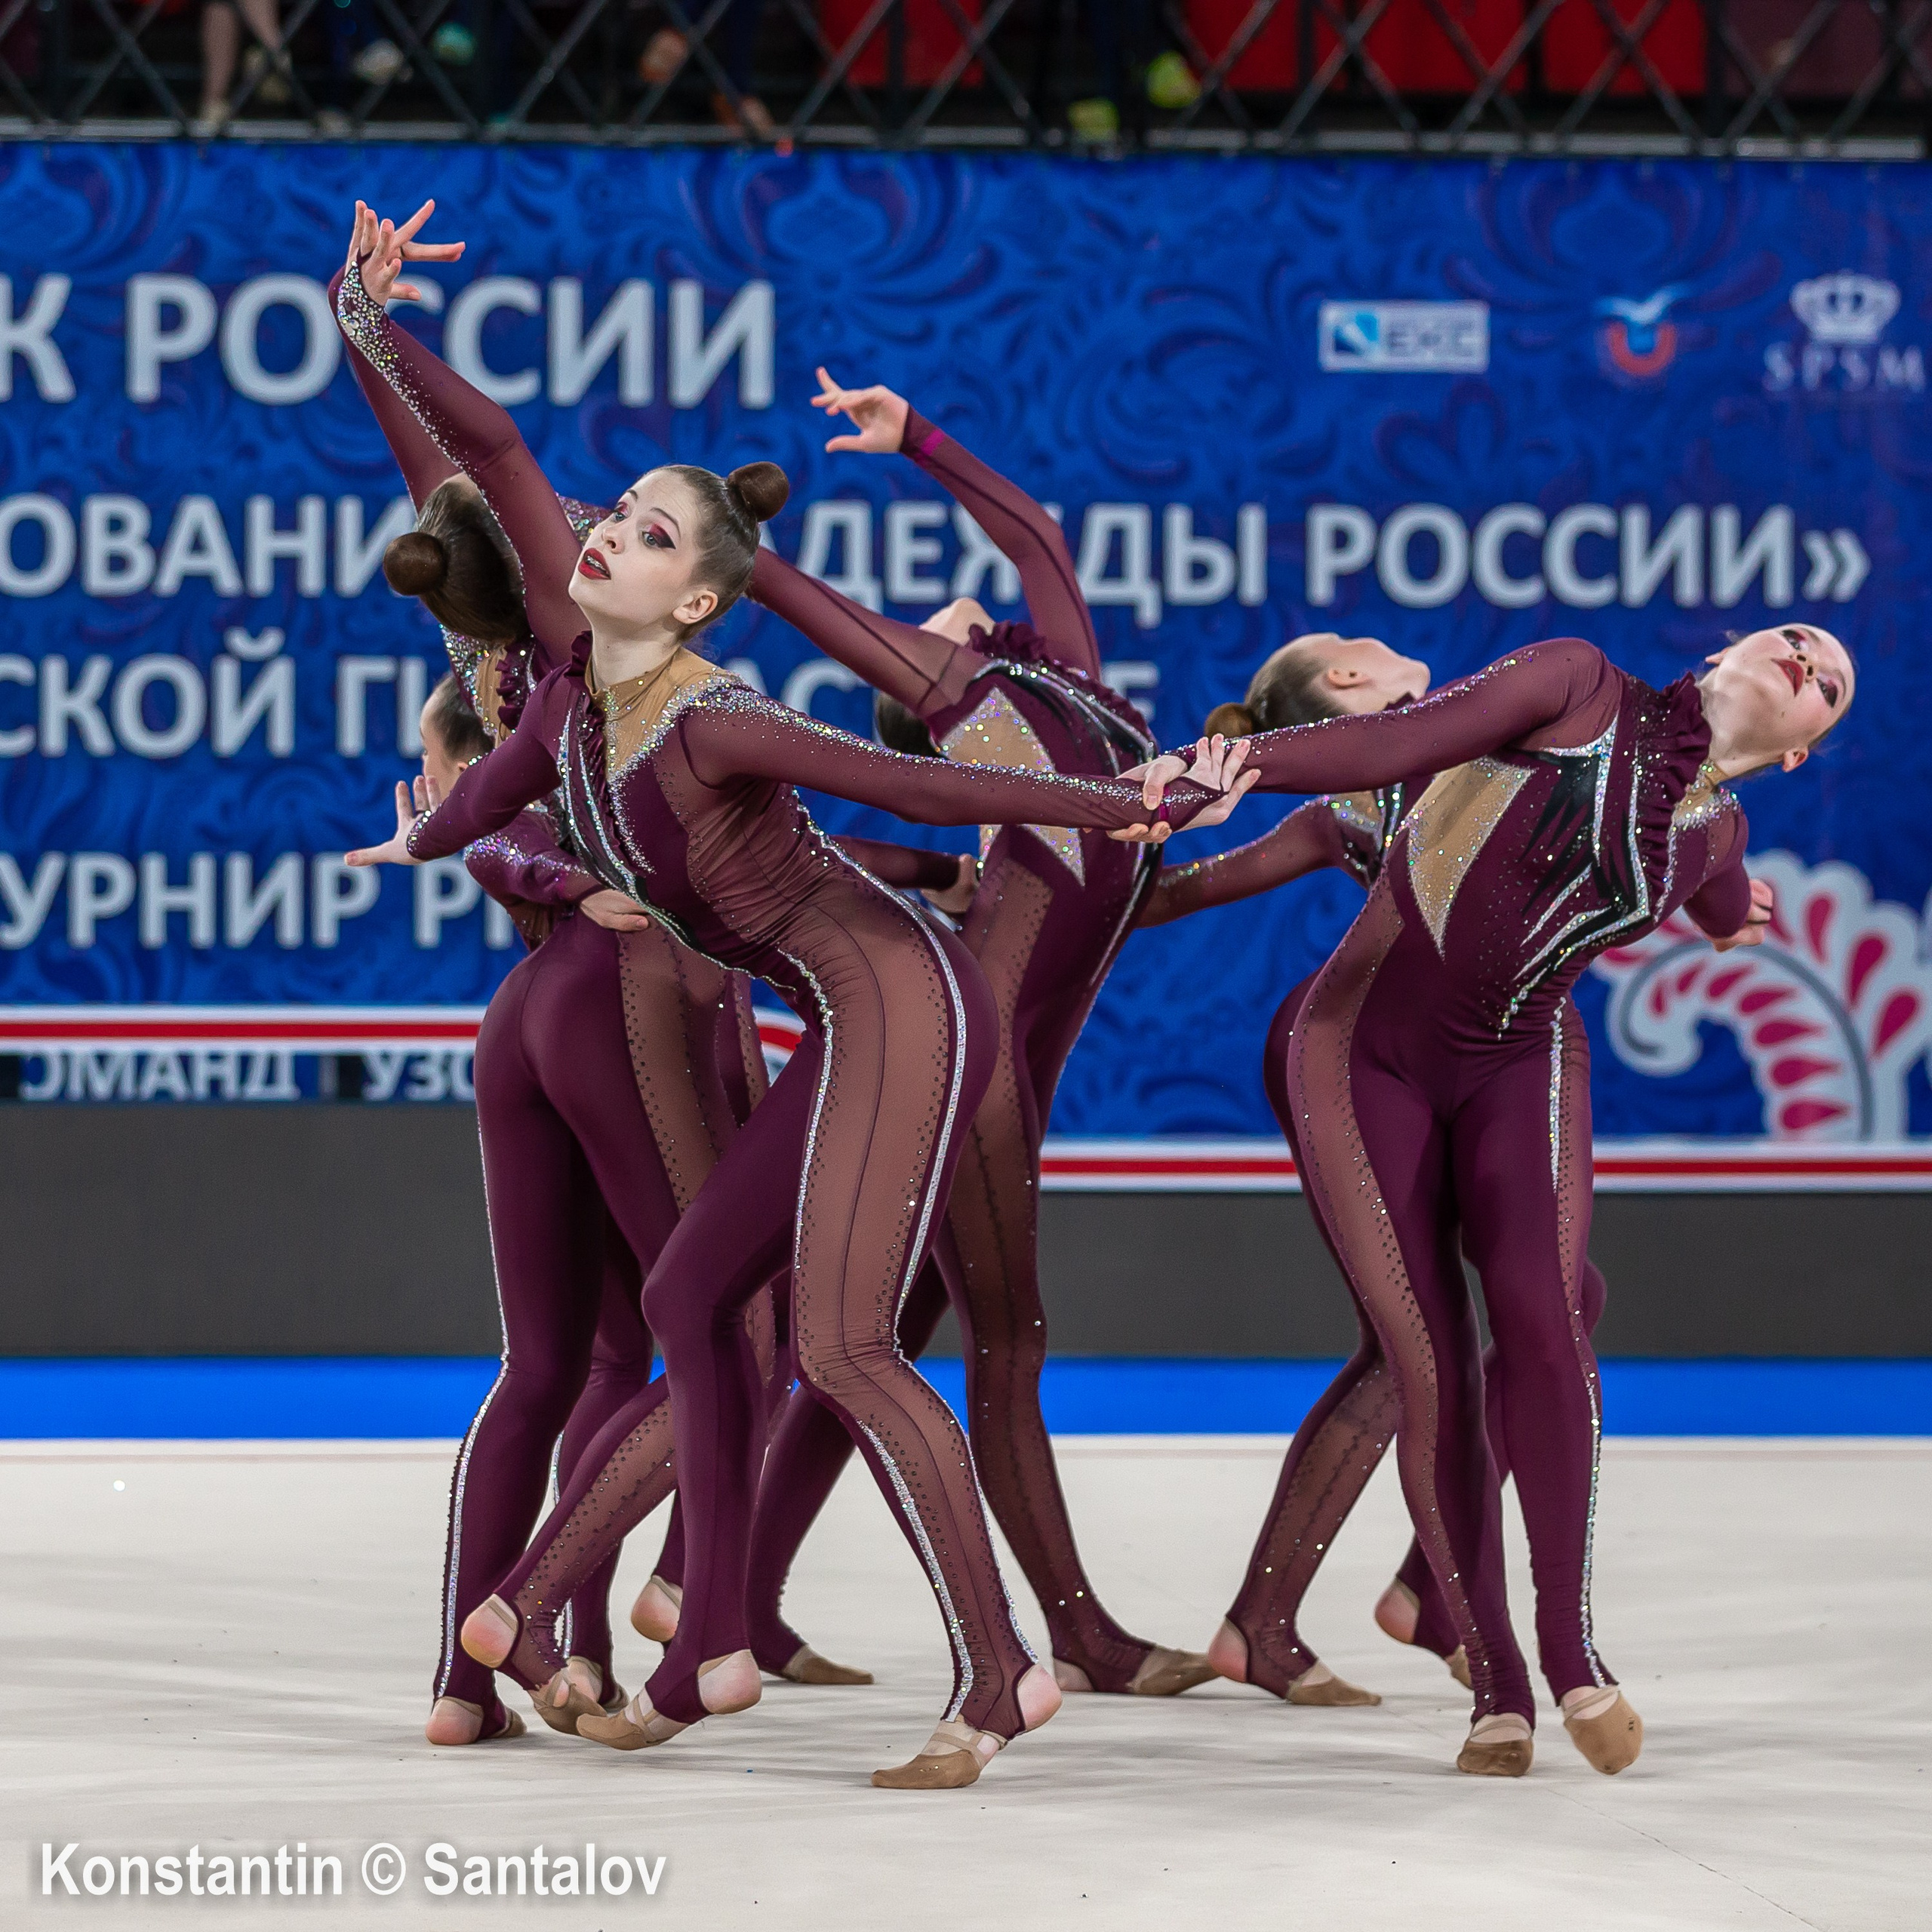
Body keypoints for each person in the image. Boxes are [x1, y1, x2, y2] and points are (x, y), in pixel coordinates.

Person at [340, 206, 1250, 1786]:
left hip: (909, 1004)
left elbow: (923, 787)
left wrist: (1140, 805)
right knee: (694, 1301)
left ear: (697, 602)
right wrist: (362, 318)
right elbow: (478, 453)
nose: (603, 527)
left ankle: (990, 1671)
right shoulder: (568, 664)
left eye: (648, 531)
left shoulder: (716, 719)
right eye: (611, 512)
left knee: (838, 1343)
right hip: (842, 1017)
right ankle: (710, 1638)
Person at [1137, 620, 1852, 1776]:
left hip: (1524, 1057)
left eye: (1833, 685)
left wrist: (1737, 918)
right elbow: (1394, 745)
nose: (1812, 660)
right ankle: (1498, 1680)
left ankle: (1570, 1652)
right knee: (1430, 1365)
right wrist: (1198, 774)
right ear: (1729, 648)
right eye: (1798, 638)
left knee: (1550, 1312)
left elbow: (1720, 892)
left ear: (1807, 747)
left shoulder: (1720, 828)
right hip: (1366, 1052)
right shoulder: (1574, 683)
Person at [731, 370, 1215, 1701]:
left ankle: (727, 1595)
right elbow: (814, 608)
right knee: (977, 1335)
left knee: (897, 1323)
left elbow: (1039, 541)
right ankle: (1075, 1637)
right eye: (930, 626)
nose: (943, 609)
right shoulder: (966, 691)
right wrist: (723, 549)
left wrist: (920, 439)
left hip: (1018, 1059)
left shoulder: (1082, 695)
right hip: (978, 1051)